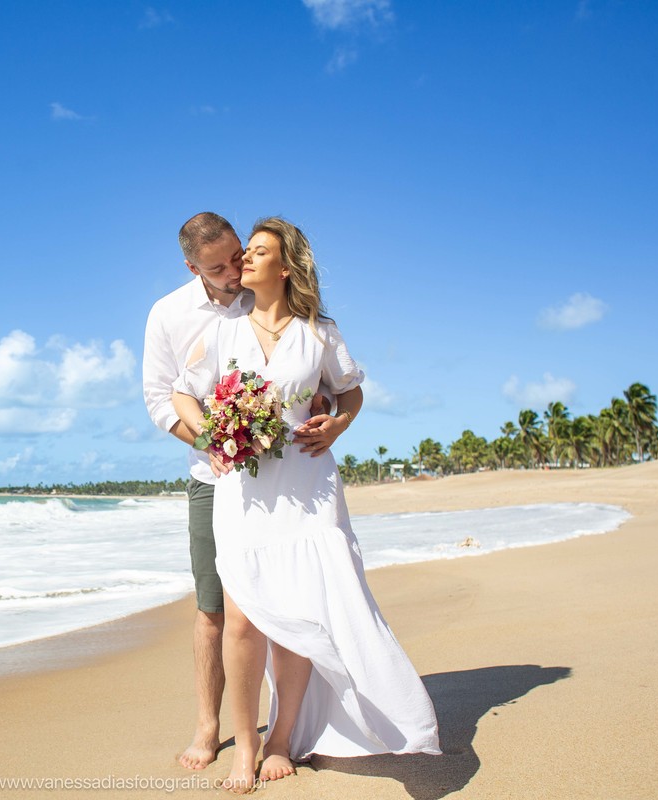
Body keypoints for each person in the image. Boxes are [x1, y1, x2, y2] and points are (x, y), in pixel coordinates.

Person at [171, 217, 440, 793]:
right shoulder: (222, 328)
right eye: (244, 253)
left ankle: (282, 739)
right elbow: (180, 392)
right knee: (243, 620)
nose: (244, 260)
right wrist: (211, 437)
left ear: (286, 266)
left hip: (309, 485)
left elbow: (350, 389)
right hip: (244, 491)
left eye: (258, 252)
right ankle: (245, 747)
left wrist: (338, 425)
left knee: (296, 617)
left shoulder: (321, 332)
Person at [142, 212, 348, 771]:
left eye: (240, 256)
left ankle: (283, 731)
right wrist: (216, 441)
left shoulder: (282, 301)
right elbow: (163, 399)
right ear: (193, 268)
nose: (235, 270)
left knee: (289, 607)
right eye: (220, 266)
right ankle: (213, 728)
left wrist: (326, 413)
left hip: (292, 486)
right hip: (219, 481)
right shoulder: (171, 314)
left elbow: (326, 385)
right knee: (218, 610)